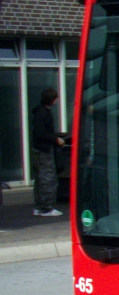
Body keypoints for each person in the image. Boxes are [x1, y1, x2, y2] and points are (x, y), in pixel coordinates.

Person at [30, 87, 65, 218]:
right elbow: (42, 133)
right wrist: (56, 139)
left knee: (40, 179)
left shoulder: (39, 112)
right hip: (44, 150)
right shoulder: (43, 114)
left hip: (40, 149)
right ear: (51, 99)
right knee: (48, 179)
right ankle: (46, 208)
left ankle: (39, 206)